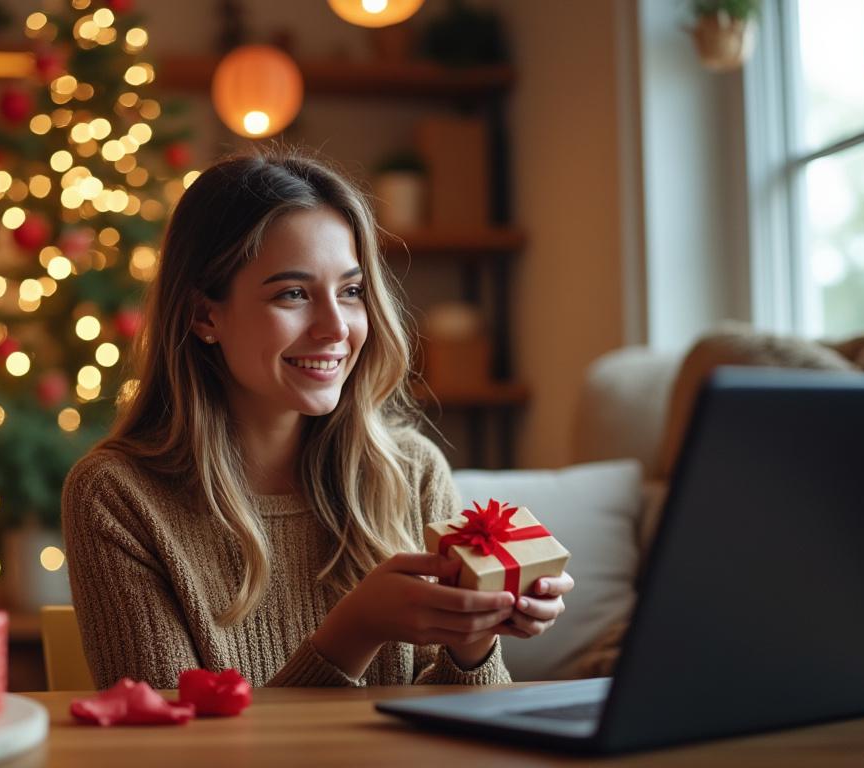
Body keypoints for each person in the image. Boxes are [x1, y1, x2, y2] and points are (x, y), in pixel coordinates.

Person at [61, 148, 573, 689]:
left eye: (351, 291)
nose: (336, 327)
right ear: (204, 314)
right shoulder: (117, 498)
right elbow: (170, 735)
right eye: (293, 294)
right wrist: (355, 630)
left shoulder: (412, 472)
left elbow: (462, 723)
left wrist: (473, 637)